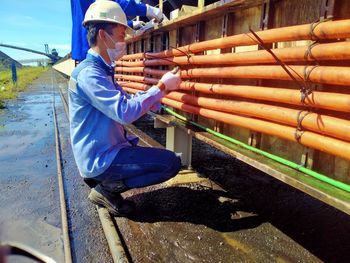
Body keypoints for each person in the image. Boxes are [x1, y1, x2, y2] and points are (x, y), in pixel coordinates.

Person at [68, 0, 182, 216]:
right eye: (121, 36)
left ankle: (107, 186)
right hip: (100, 159)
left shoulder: (102, 71)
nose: (123, 42)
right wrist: (161, 87)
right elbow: (125, 112)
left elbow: (126, 100)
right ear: (103, 35)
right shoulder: (89, 75)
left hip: (107, 150)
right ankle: (106, 189)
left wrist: (157, 98)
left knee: (166, 160)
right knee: (170, 164)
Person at [71, 0, 164, 62]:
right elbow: (111, 6)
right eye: (121, 36)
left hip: (82, 46)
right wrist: (147, 9)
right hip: (92, 48)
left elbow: (100, 18)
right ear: (102, 34)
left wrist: (130, 24)